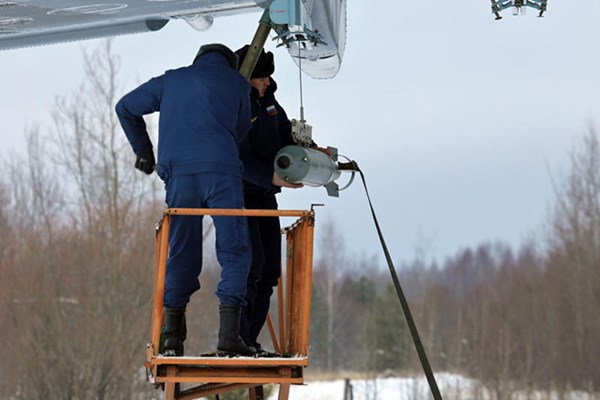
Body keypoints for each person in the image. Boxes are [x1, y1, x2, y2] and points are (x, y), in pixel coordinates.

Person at [115, 43, 256, 357]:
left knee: (181, 251)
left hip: (180, 178)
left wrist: (144, 152)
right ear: (230, 65)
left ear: (197, 61)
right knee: (234, 250)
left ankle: (171, 338)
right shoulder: (237, 84)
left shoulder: (171, 80)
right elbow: (241, 130)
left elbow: (125, 107)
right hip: (222, 176)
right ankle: (229, 337)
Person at [235, 45, 314, 354]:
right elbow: (239, 157)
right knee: (250, 266)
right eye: (262, 76)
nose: (267, 82)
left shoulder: (270, 104)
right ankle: (237, 338)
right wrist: (269, 177)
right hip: (241, 195)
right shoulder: (237, 107)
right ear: (248, 77)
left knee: (269, 271)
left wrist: (310, 150)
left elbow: (285, 134)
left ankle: (251, 340)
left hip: (266, 197)